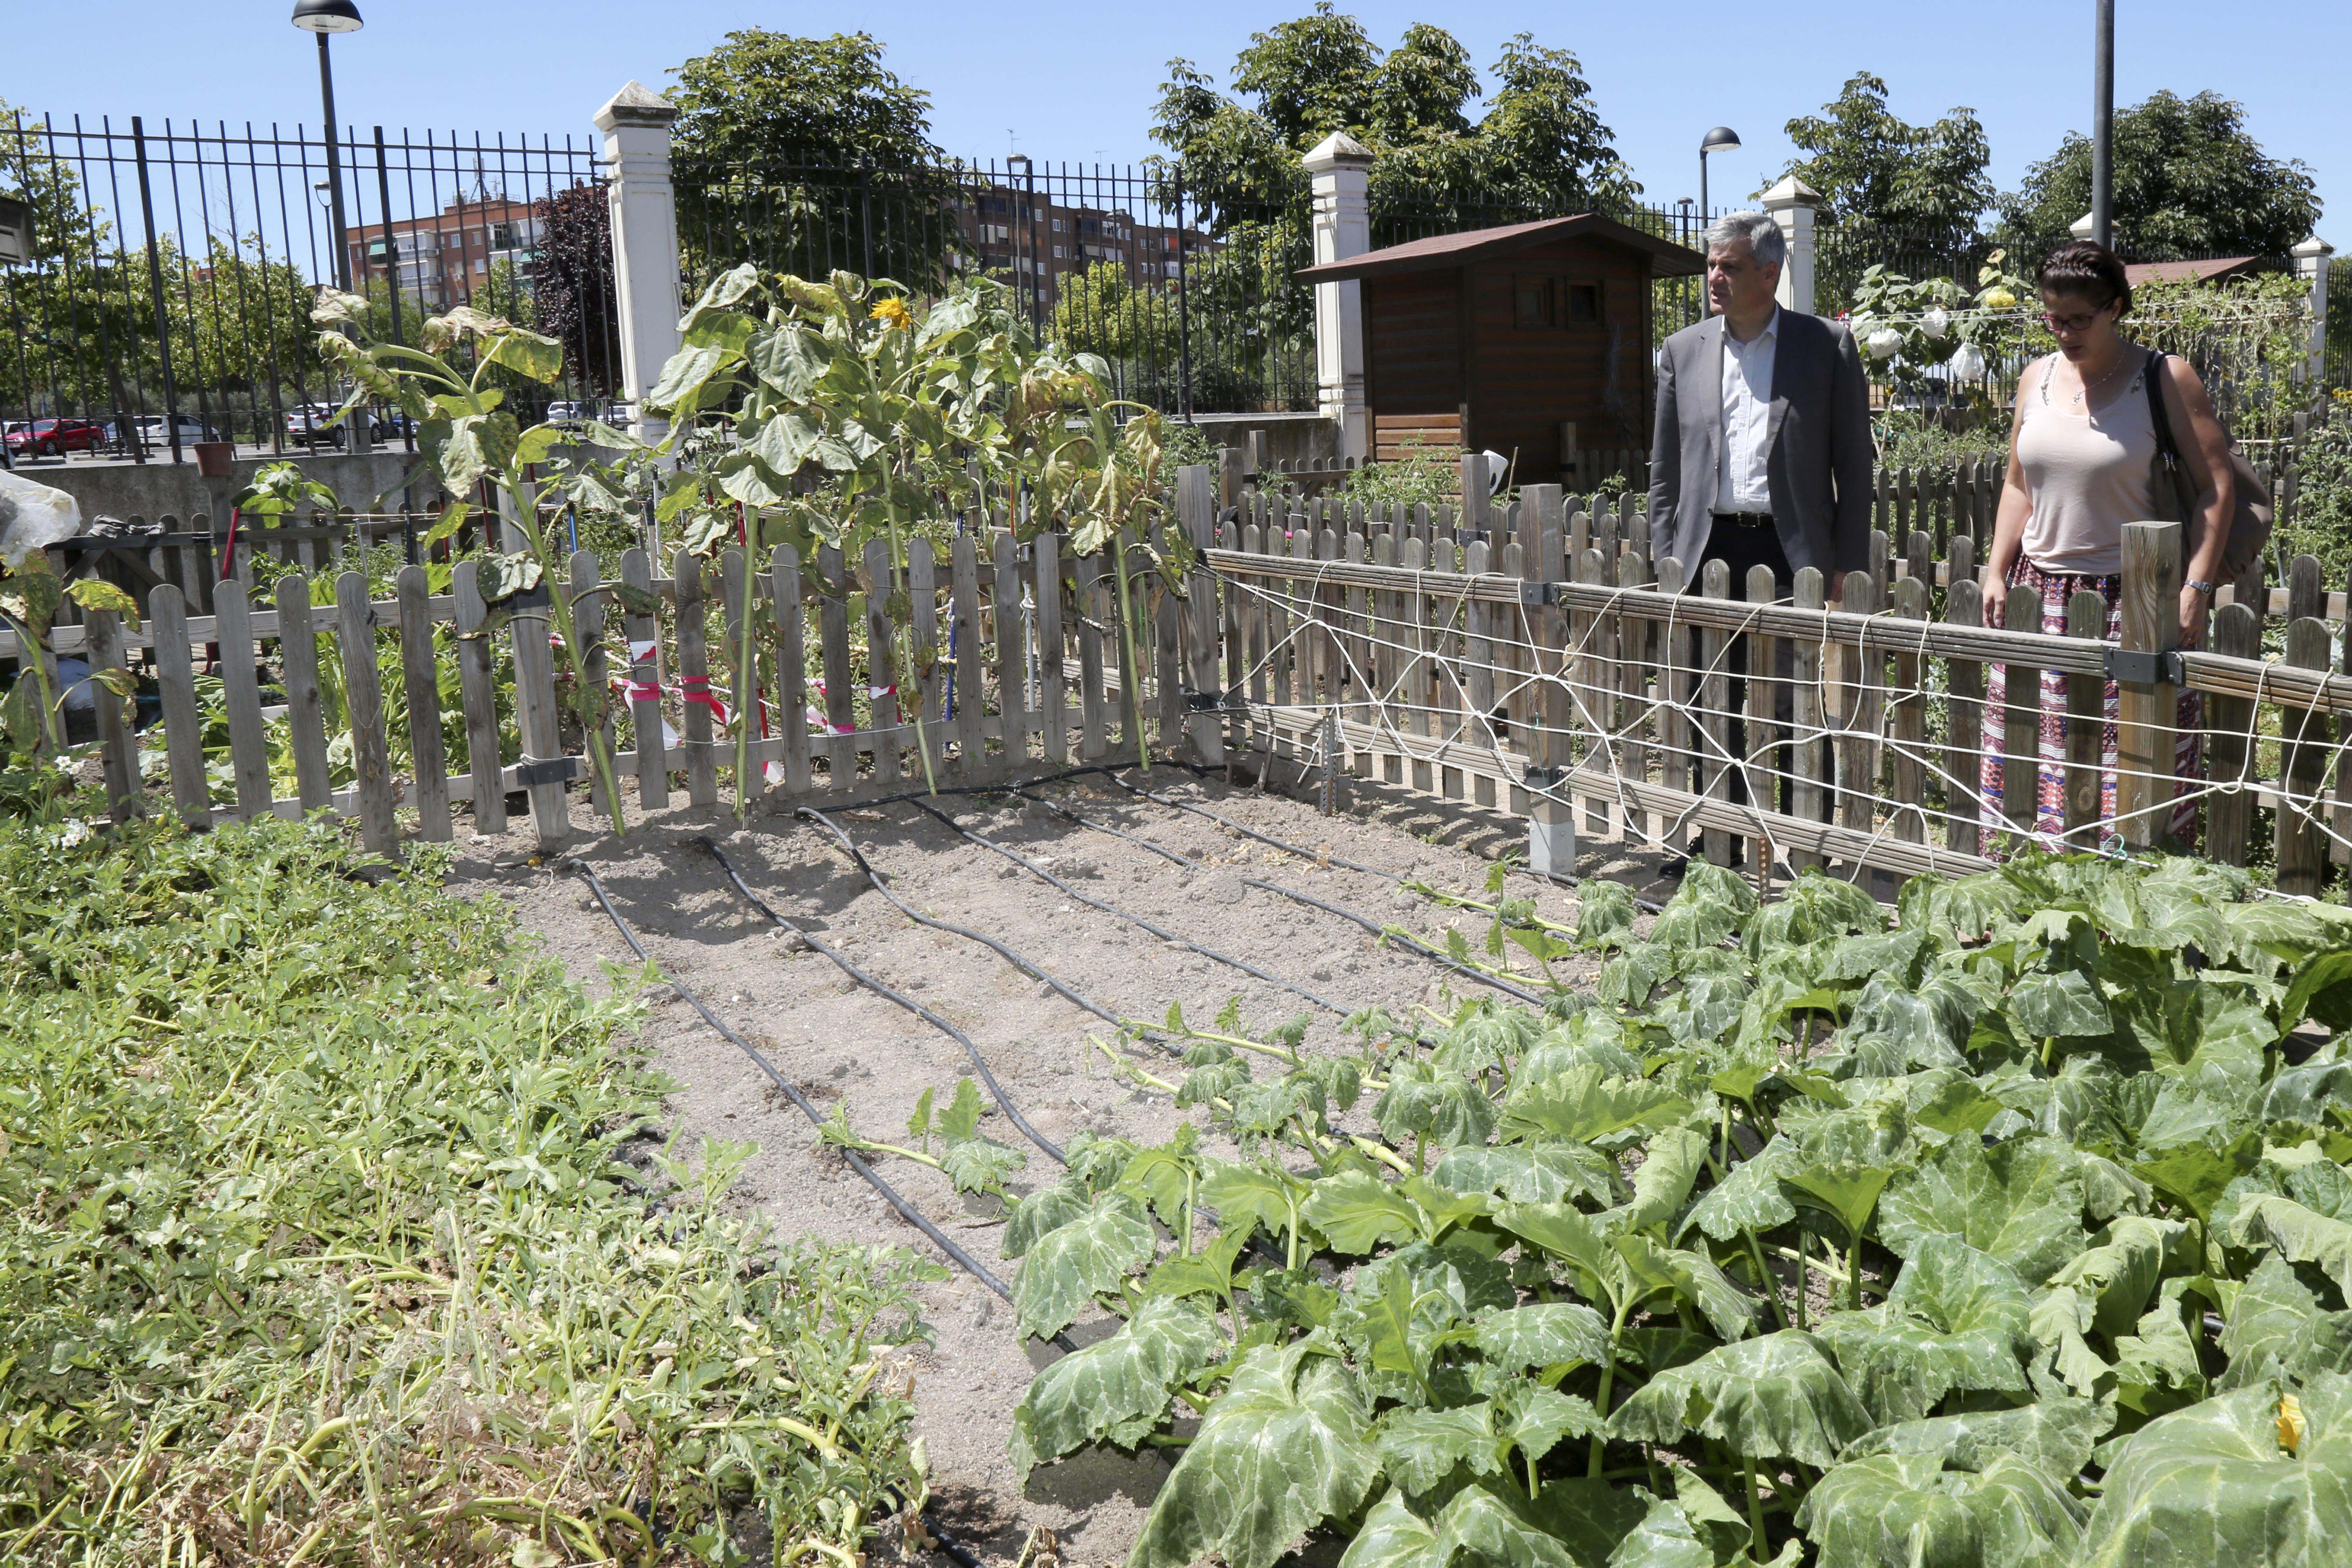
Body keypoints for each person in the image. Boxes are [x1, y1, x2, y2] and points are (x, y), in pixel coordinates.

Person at [1978, 239, 2230, 851]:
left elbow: (2215, 489)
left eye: (2078, 320)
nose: (2063, 332)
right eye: (2051, 318)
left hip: (2131, 604)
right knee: (2030, 763)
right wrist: (1995, 570)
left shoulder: (2163, 378)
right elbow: (2019, 484)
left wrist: (2196, 588)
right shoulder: (2036, 377)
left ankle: (2125, 928)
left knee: (2131, 775)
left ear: (2115, 308)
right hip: (2039, 602)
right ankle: (2030, 917)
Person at [1649, 211, 1875, 869]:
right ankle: (1721, 838)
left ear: (1769, 274)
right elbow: (1665, 468)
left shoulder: (1824, 346)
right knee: (1703, 701)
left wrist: (1845, 564)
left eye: (1730, 266)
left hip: (1790, 552)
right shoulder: (1682, 349)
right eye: (1711, 264)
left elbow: (1854, 466)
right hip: (1705, 550)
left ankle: (1806, 842)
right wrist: (1669, 551)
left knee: (1792, 701)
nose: (1714, 277)